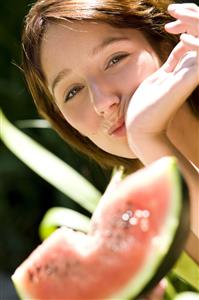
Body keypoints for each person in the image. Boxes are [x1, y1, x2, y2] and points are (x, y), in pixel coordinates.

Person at [21, 0, 198, 286]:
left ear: (164, 44)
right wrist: (147, 137)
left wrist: (149, 138)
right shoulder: (118, 225)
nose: (102, 102)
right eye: (73, 91)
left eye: (115, 59)